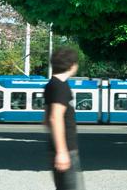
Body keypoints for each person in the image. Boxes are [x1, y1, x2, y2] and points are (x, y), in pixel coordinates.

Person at [44, 47, 85, 190]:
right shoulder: (60, 87)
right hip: (66, 150)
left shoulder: (53, 85)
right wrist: (61, 152)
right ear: (72, 65)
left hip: (63, 149)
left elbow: (46, 119)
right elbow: (55, 118)